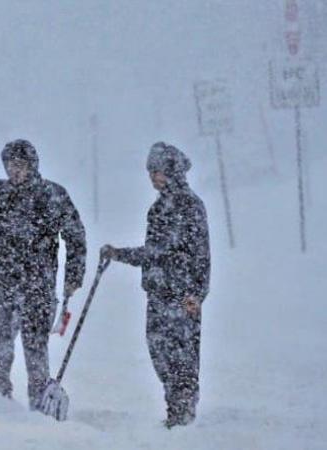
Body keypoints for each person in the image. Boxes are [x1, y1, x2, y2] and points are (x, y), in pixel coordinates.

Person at [0, 139, 87, 409]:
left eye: (20, 165)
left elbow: (75, 236)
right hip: (1, 284)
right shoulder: (0, 192)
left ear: (32, 165)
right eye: (9, 165)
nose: (14, 171)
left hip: (38, 288)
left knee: (35, 349)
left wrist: (74, 276)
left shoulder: (52, 195)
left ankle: (38, 404)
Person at [102, 142, 210, 428]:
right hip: (158, 294)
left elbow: (201, 255)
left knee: (182, 357)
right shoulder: (158, 209)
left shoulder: (191, 206)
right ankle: (175, 406)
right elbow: (154, 252)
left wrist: (197, 294)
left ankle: (183, 413)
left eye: (158, 171)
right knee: (160, 353)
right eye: (150, 171)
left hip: (182, 296)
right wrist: (119, 254)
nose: (153, 177)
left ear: (172, 171)